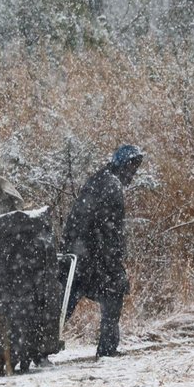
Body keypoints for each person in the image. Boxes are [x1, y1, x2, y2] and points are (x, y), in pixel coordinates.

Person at [62, 144, 143, 358]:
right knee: (113, 293)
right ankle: (107, 349)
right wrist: (113, 261)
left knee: (67, 299)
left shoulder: (99, 180)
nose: (133, 174)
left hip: (78, 253)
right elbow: (109, 229)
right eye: (131, 168)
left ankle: (39, 343)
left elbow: (81, 219)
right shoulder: (111, 185)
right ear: (122, 165)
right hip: (93, 255)